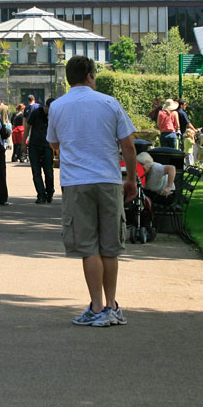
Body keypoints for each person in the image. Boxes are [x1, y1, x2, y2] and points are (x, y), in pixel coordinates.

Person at [47, 55, 137, 328]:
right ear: (90, 75)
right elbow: (129, 145)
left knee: (88, 247)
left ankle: (96, 305)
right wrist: (131, 179)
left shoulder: (58, 106)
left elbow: (53, 142)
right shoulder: (109, 103)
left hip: (76, 182)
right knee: (110, 246)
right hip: (108, 179)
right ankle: (111, 305)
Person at [26, 98, 54, 203]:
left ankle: (50, 191)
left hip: (48, 145)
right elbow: (28, 126)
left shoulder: (54, 115)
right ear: (46, 106)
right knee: (36, 171)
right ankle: (41, 194)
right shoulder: (36, 113)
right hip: (34, 145)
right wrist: (24, 142)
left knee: (49, 171)